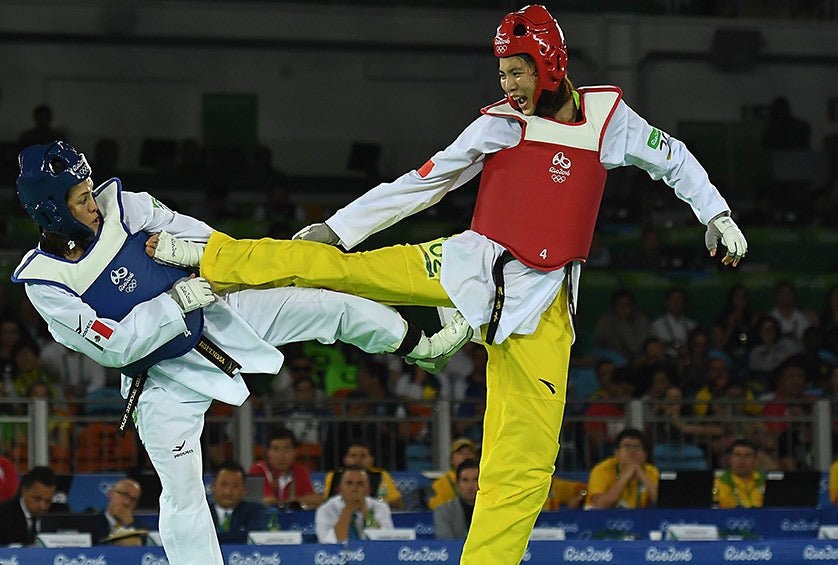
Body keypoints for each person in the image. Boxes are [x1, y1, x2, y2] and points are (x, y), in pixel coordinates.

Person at [159, 5, 747, 561]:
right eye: (502, 72)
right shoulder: (498, 123)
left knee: (525, 470)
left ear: (551, 64)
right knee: (339, 268)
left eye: (518, 70)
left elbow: (672, 157)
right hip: (466, 266)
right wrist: (339, 228)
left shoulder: (608, 119)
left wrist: (715, 214)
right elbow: (425, 182)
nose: (509, 83)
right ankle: (207, 263)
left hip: (541, 310)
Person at [9, 141, 469, 565]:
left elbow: (211, 243)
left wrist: (185, 254)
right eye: (80, 199)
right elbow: (115, 345)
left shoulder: (126, 206)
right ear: (52, 211)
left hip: (218, 312)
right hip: (160, 381)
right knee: (183, 491)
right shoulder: (47, 283)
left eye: (90, 191)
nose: (92, 204)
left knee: (326, 307)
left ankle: (422, 346)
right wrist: (178, 300)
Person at [0, 466, 57, 547]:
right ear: (24, 491)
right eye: (37, 499)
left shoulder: (58, 515)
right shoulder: (2, 515)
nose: (43, 506)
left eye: (48, 501)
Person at [314, 465, 393, 543]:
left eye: (360, 484)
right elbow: (329, 543)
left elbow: (385, 542)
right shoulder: (326, 509)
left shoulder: (381, 508)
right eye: (349, 483)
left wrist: (366, 513)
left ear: (368, 488)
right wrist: (348, 510)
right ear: (340, 488)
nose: (354, 488)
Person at [249, 427, 322, 510]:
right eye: (275, 449)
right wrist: (297, 502)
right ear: (267, 452)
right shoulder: (258, 470)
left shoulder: (300, 471)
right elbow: (263, 501)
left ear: (296, 451)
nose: (281, 456)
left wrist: (284, 503)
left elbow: (316, 499)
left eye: (286, 449)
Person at [585, 428, 659, 510]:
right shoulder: (602, 470)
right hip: (599, 519)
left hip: (637, 519)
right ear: (616, 453)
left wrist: (642, 475)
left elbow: (664, 503)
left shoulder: (651, 471)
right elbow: (600, 505)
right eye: (626, 447)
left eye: (637, 447)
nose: (632, 451)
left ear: (645, 454)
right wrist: (626, 476)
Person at [323, 440, 403, 509]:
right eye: (353, 456)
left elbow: (397, 502)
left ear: (372, 459)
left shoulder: (382, 474)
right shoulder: (333, 475)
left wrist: (377, 507)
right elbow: (327, 502)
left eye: (363, 456)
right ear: (345, 459)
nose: (358, 460)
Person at [209, 461, 266, 545]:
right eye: (224, 485)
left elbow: (254, 537)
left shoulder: (255, 511)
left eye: (235, 486)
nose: (228, 492)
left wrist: (214, 538)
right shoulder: (201, 512)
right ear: (213, 486)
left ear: (244, 489)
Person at [433, 459, 479, 540]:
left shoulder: (492, 510)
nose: (470, 486)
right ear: (457, 484)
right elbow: (446, 543)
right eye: (465, 480)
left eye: (475, 480)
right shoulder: (443, 511)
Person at [93, 478, 147, 545]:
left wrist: (129, 526)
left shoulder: (141, 528)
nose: (127, 502)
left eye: (133, 499)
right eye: (124, 495)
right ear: (111, 493)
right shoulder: (91, 524)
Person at [428, 437, 479, 510]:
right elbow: (436, 508)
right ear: (451, 459)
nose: (465, 456)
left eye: (469, 452)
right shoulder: (440, 484)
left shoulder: (484, 480)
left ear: (476, 457)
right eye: (460, 453)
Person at [714, 439, 765, 509]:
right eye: (737, 455)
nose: (742, 460)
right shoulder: (717, 483)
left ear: (755, 460)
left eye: (747, 455)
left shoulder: (765, 482)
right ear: (730, 458)